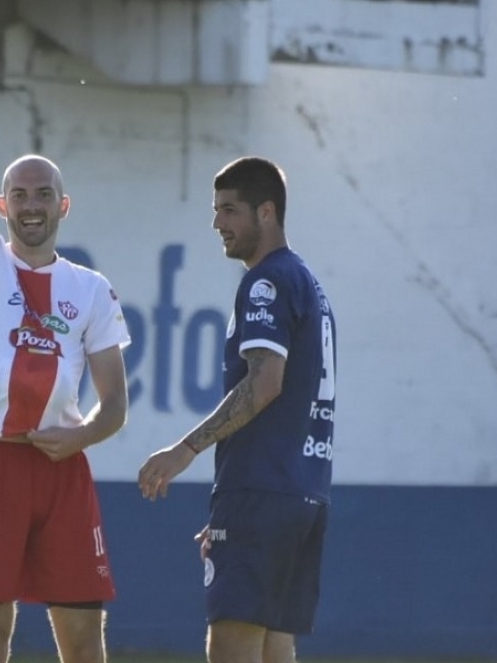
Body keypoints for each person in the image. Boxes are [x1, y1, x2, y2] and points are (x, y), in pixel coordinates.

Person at [0, 20, 131, 663]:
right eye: (19, 194)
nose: (30, 204)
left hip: (60, 469)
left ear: (63, 206)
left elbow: (114, 404)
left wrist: (80, 436)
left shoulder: (92, 289)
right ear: (1, 205)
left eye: (43, 193)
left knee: (82, 635)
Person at [138, 157, 337, 663]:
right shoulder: (309, 282)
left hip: (261, 491)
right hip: (302, 494)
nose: (217, 224)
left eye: (229, 210)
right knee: (275, 648)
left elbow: (265, 383)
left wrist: (185, 450)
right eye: (215, 210)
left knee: (232, 649)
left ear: (266, 212)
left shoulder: (267, 281)